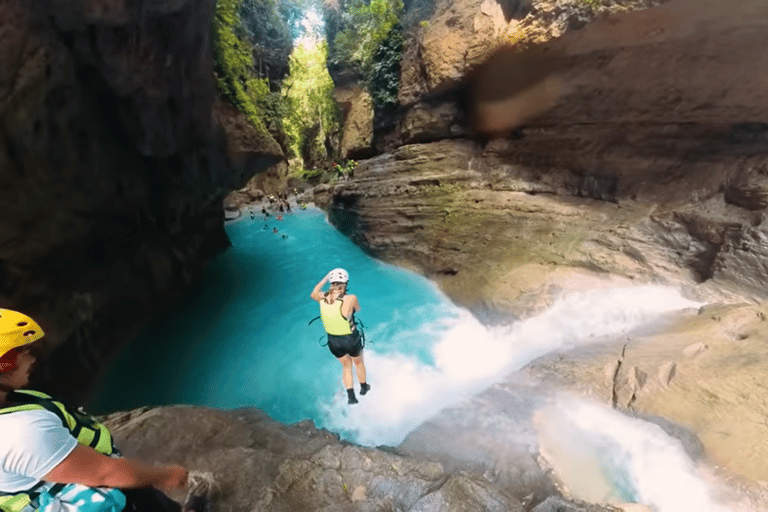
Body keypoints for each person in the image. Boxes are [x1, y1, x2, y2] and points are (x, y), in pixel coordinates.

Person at [0, 309, 192, 511]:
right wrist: (167, 476)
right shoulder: (20, 433)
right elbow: (106, 473)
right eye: (15, 355)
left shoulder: (12, 405)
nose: (30, 359)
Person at [310, 269, 370, 404]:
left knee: (346, 366)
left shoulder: (322, 297)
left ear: (331, 283)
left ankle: (351, 397)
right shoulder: (350, 298)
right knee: (359, 363)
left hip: (333, 341)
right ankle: (363, 387)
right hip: (350, 339)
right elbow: (358, 309)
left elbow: (313, 292)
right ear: (346, 283)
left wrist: (326, 278)